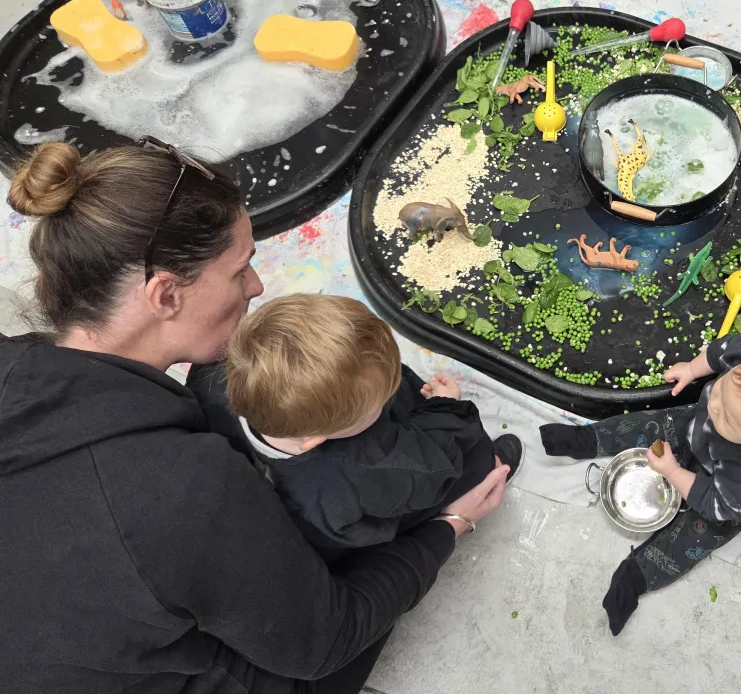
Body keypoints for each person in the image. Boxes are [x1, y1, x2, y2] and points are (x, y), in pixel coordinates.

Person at [0, 140, 510, 693]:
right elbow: (322, 642)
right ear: (166, 294)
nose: (258, 287)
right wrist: (447, 528)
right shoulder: (181, 487)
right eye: (240, 269)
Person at [190, 292, 525, 558]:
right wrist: (446, 408)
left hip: (318, 490)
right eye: (380, 402)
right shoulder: (369, 467)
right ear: (314, 437)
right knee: (474, 457)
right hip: (358, 513)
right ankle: (471, 485)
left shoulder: (217, 380)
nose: (393, 389)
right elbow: (429, 464)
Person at [540, 335, 741, 634]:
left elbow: (716, 505)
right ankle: (587, 439)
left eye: (728, 417)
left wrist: (672, 471)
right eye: (723, 389)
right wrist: (693, 370)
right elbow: (725, 349)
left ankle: (638, 575)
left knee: (699, 534)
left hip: (730, 496)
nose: (714, 406)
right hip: (706, 436)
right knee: (657, 423)